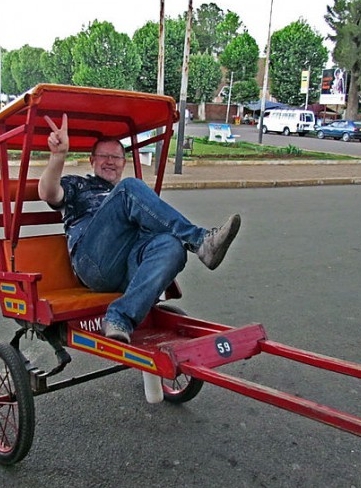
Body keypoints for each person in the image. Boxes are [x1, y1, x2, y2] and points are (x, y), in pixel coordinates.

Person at [38, 113, 241, 344]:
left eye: (116, 157)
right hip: (94, 263)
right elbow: (48, 192)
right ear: (92, 160)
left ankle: (119, 319)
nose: (110, 161)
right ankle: (200, 241)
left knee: (172, 245)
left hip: (129, 265)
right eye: (103, 156)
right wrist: (58, 156)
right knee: (130, 187)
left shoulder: (133, 198)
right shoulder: (79, 185)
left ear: (123, 163)